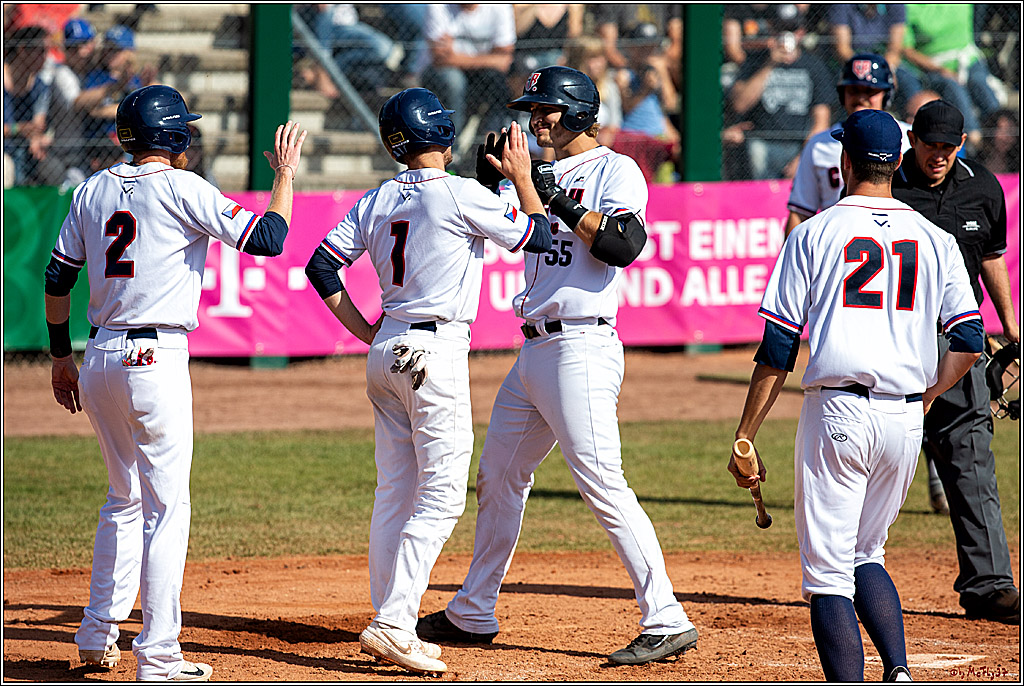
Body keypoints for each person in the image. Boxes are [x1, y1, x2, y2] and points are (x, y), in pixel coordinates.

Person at [416, 66, 699, 666]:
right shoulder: (532, 171)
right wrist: (489, 174)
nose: (534, 118)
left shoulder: (614, 169)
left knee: (601, 480)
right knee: (498, 474)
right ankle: (474, 609)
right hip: (534, 349)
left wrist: (550, 188)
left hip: (582, 346)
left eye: (545, 108)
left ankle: (666, 615)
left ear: (576, 111)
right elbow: (491, 228)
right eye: (532, 108)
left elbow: (622, 247)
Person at [45, 84, 306, 681]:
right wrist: (285, 175)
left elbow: (57, 281)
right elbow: (269, 239)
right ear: (174, 137)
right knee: (166, 509)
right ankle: (159, 656)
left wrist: (61, 356)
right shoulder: (183, 188)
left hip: (101, 356)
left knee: (121, 500)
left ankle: (95, 633)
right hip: (155, 359)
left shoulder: (91, 189)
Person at [729, 109, 984, 681]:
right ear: (898, 161)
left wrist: (746, 433)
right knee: (868, 552)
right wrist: (925, 397)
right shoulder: (936, 238)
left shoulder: (814, 233)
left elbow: (777, 348)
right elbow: (970, 340)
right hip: (902, 419)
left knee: (826, 575)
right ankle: (898, 670)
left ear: (844, 162)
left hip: (838, 412)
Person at [303, 88, 551, 675]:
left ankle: (393, 613)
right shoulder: (459, 192)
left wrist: (365, 328)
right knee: (440, 495)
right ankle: (393, 623)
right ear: (440, 132)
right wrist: (519, 179)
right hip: (433, 353)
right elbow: (537, 236)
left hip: (387, 345)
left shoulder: (379, 196)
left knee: (395, 491)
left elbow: (320, 264)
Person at [891, 99, 1020, 625]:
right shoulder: (886, 188)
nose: (939, 155)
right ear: (913, 142)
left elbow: (991, 259)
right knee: (873, 459)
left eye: (949, 146)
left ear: (961, 144)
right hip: (895, 343)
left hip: (957, 341)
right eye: (930, 145)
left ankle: (988, 585)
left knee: (970, 456)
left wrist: (1012, 332)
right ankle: (838, 575)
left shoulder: (983, 188)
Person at [786, 53, 911, 234]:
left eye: (870, 91)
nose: (860, 98)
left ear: (887, 95)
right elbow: (800, 212)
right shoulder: (820, 144)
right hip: (838, 240)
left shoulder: (909, 138)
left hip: (897, 236)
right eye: (854, 89)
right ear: (842, 94)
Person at [728, 9, 833, 180]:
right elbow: (739, 104)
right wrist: (770, 64)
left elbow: (821, 122)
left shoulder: (814, 66)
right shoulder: (756, 62)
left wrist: (803, 159)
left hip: (799, 145)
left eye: (792, 29)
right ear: (772, 30)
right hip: (761, 143)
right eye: (781, 28)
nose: (787, 34)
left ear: (801, 32)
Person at [900, 4, 1001, 151]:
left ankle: (1002, 134)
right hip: (932, 68)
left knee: (980, 84)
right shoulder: (909, 8)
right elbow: (907, 50)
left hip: (969, 61)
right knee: (953, 88)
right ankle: (975, 141)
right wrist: (940, 69)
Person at [421, 4, 516, 139]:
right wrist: (491, 58)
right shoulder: (438, 6)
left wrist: (455, 57)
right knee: (454, 81)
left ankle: (490, 139)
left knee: (497, 80)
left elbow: (505, 60)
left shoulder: (500, 6)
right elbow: (440, 58)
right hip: (440, 73)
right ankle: (452, 141)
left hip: (482, 74)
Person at [4, 25, 52, 185]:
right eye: (41, 51)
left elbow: (38, 124)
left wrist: (36, 137)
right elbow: (25, 127)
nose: (45, 57)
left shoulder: (40, 86)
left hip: (25, 150)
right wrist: (17, 129)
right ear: (23, 50)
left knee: (53, 170)